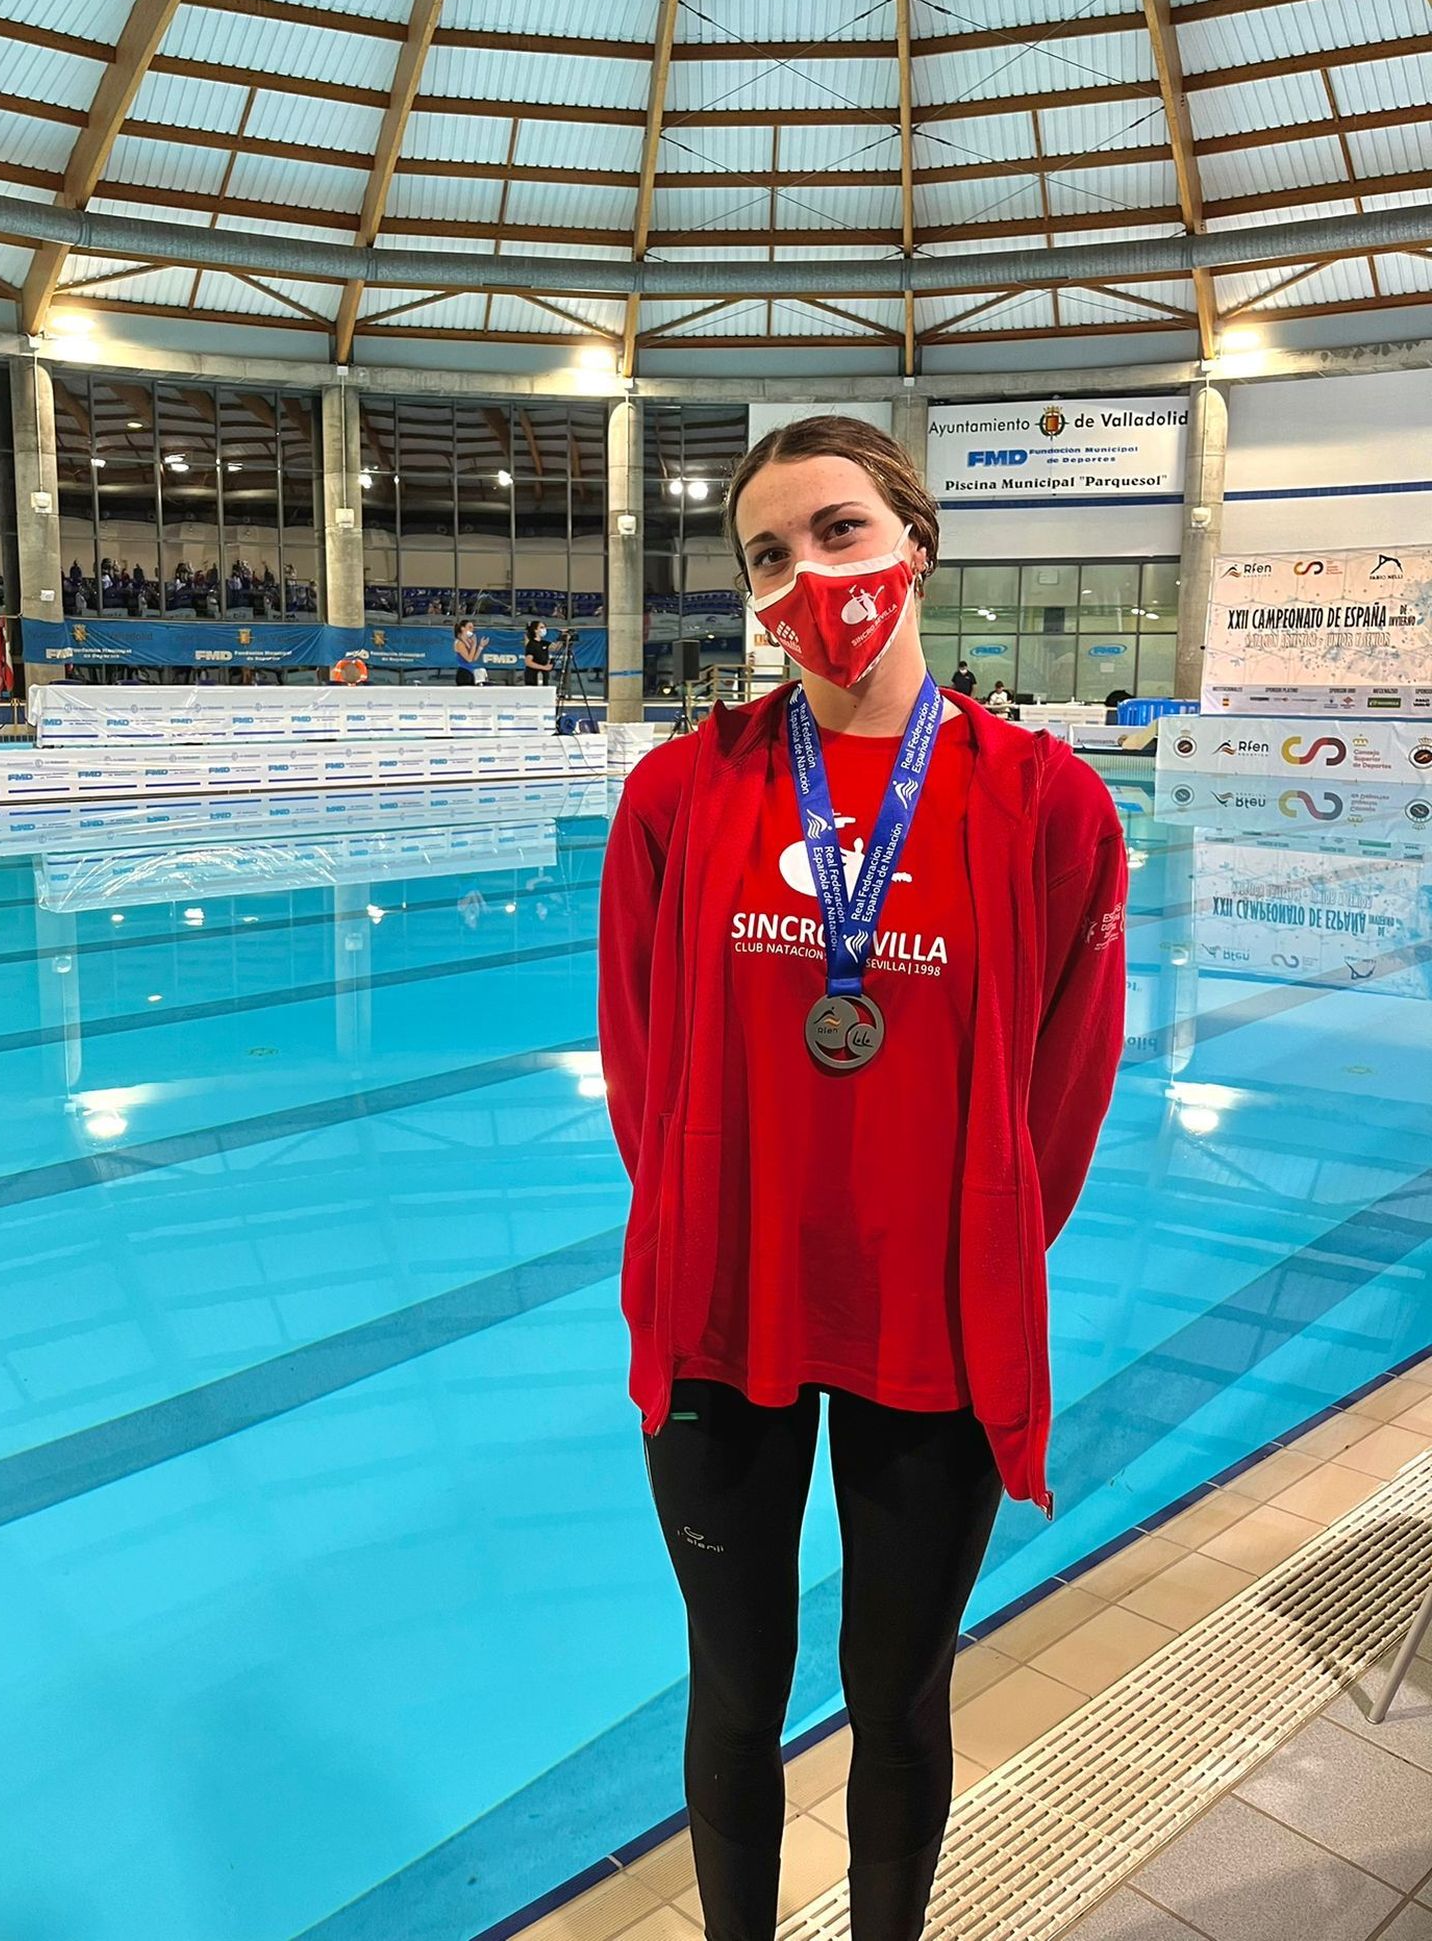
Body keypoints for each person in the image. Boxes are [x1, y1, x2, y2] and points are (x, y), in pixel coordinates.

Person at [597, 413, 1127, 1941]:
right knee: (735, 1690)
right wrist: (711, 1222)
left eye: (839, 530)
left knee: (895, 1697)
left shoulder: (1044, 800)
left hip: (931, 1330)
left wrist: (969, 1247)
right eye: (771, 552)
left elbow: (1066, 1087)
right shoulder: (685, 792)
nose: (810, 575)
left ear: (913, 542)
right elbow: (643, 1060)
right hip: (724, 1316)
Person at [453, 617, 488, 687]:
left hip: (470, 671)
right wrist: (474, 644)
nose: (472, 630)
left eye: (472, 628)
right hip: (463, 672)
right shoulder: (459, 643)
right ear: (463, 628)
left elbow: (473, 659)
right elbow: (468, 659)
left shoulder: (468, 642)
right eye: (469, 627)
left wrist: (480, 647)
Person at [523, 619, 552, 688]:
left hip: (543, 675)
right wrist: (544, 667)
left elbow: (556, 647)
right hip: (534, 676)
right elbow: (528, 662)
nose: (544, 629)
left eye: (544, 627)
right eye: (541, 627)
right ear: (535, 630)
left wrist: (563, 636)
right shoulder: (531, 644)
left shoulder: (544, 643)